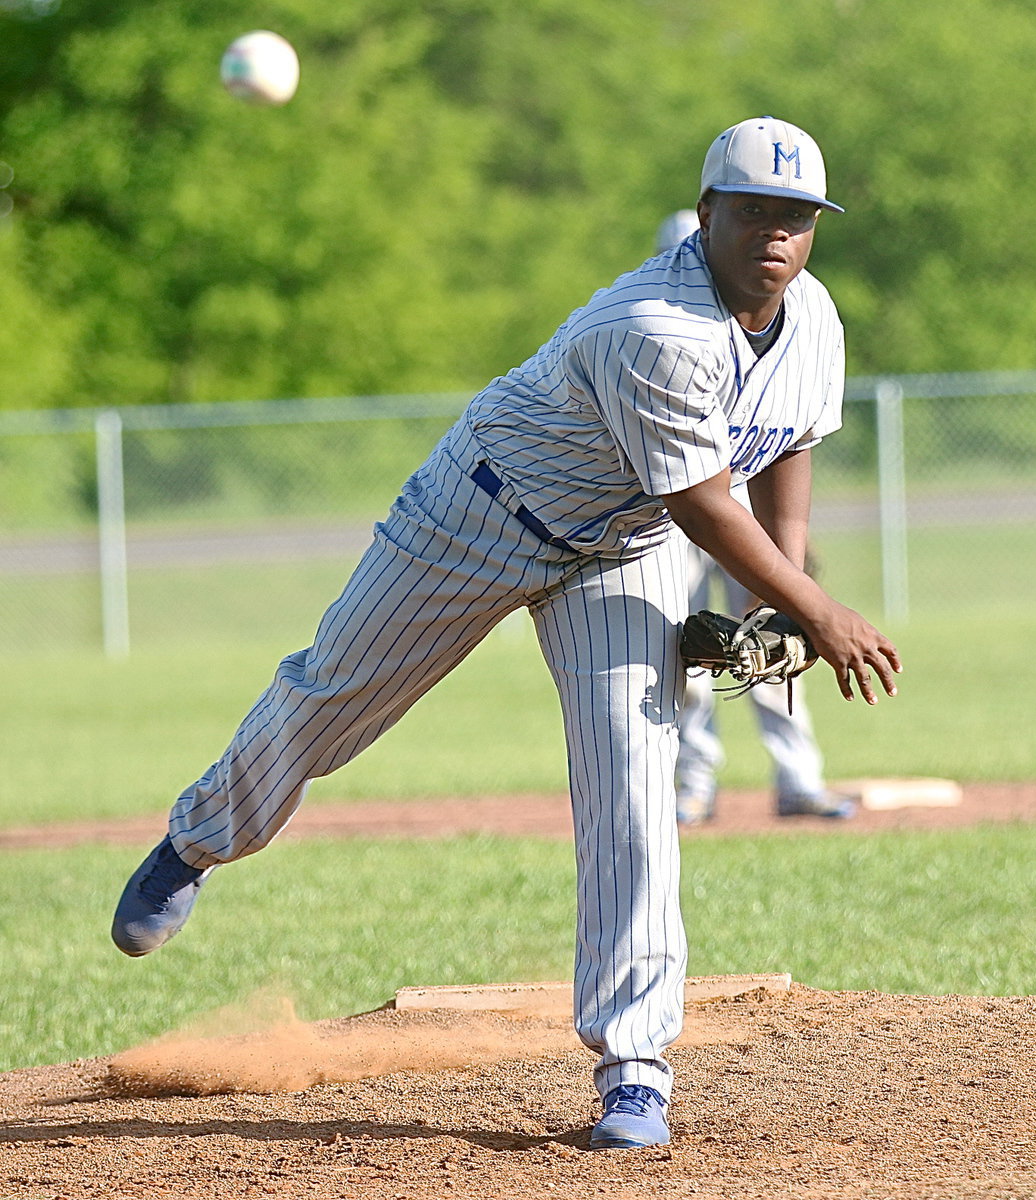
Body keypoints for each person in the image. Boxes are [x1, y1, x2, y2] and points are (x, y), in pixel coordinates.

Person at [111, 116, 901, 1151]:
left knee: (632, 783)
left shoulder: (814, 317)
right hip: (481, 512)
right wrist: (816, 605)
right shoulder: (655, 326)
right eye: (753, 209)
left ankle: (635, 1069)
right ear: (706, 213)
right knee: (332, 696)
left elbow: (789, 441)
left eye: (796, 217)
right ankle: (198, 838)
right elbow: (712, 506)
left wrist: (781, 586)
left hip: (623, 544)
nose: (776, 235)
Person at [654, 208, 856, 826]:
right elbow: (687, 485)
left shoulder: (784, 323)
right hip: (673, 508)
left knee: (776, 641)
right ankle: (694, 784)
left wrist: (790, 564)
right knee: (681, 655)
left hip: (737, 505)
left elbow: (783, 438)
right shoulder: (668, 329)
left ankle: (798, 780)